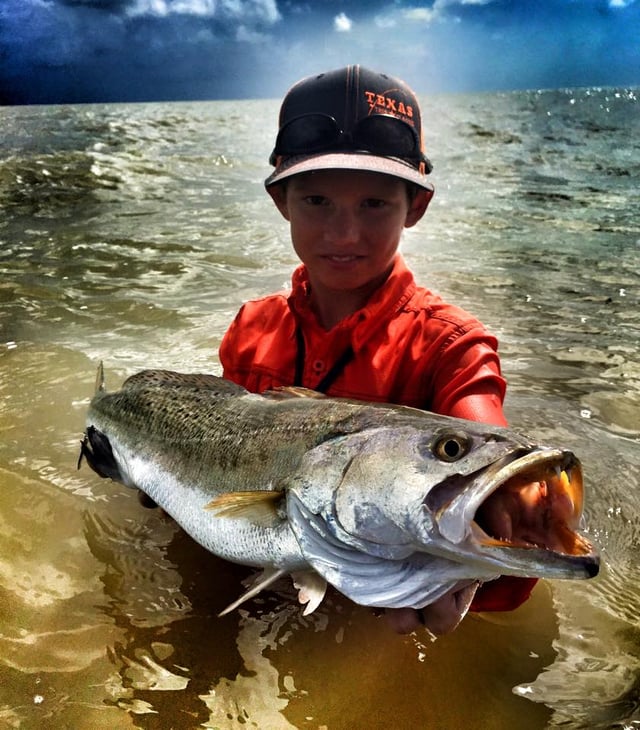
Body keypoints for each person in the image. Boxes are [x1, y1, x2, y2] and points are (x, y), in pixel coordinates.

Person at [219, 65, 537, 633]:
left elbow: (486, 439)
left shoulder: (452, 346)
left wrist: (514, 518)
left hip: (371, 607)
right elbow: (216, 455)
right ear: (280, 200)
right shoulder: (249, 328)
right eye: (317, 201)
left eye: (374, 205)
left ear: (414, 207)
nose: (344, 234)